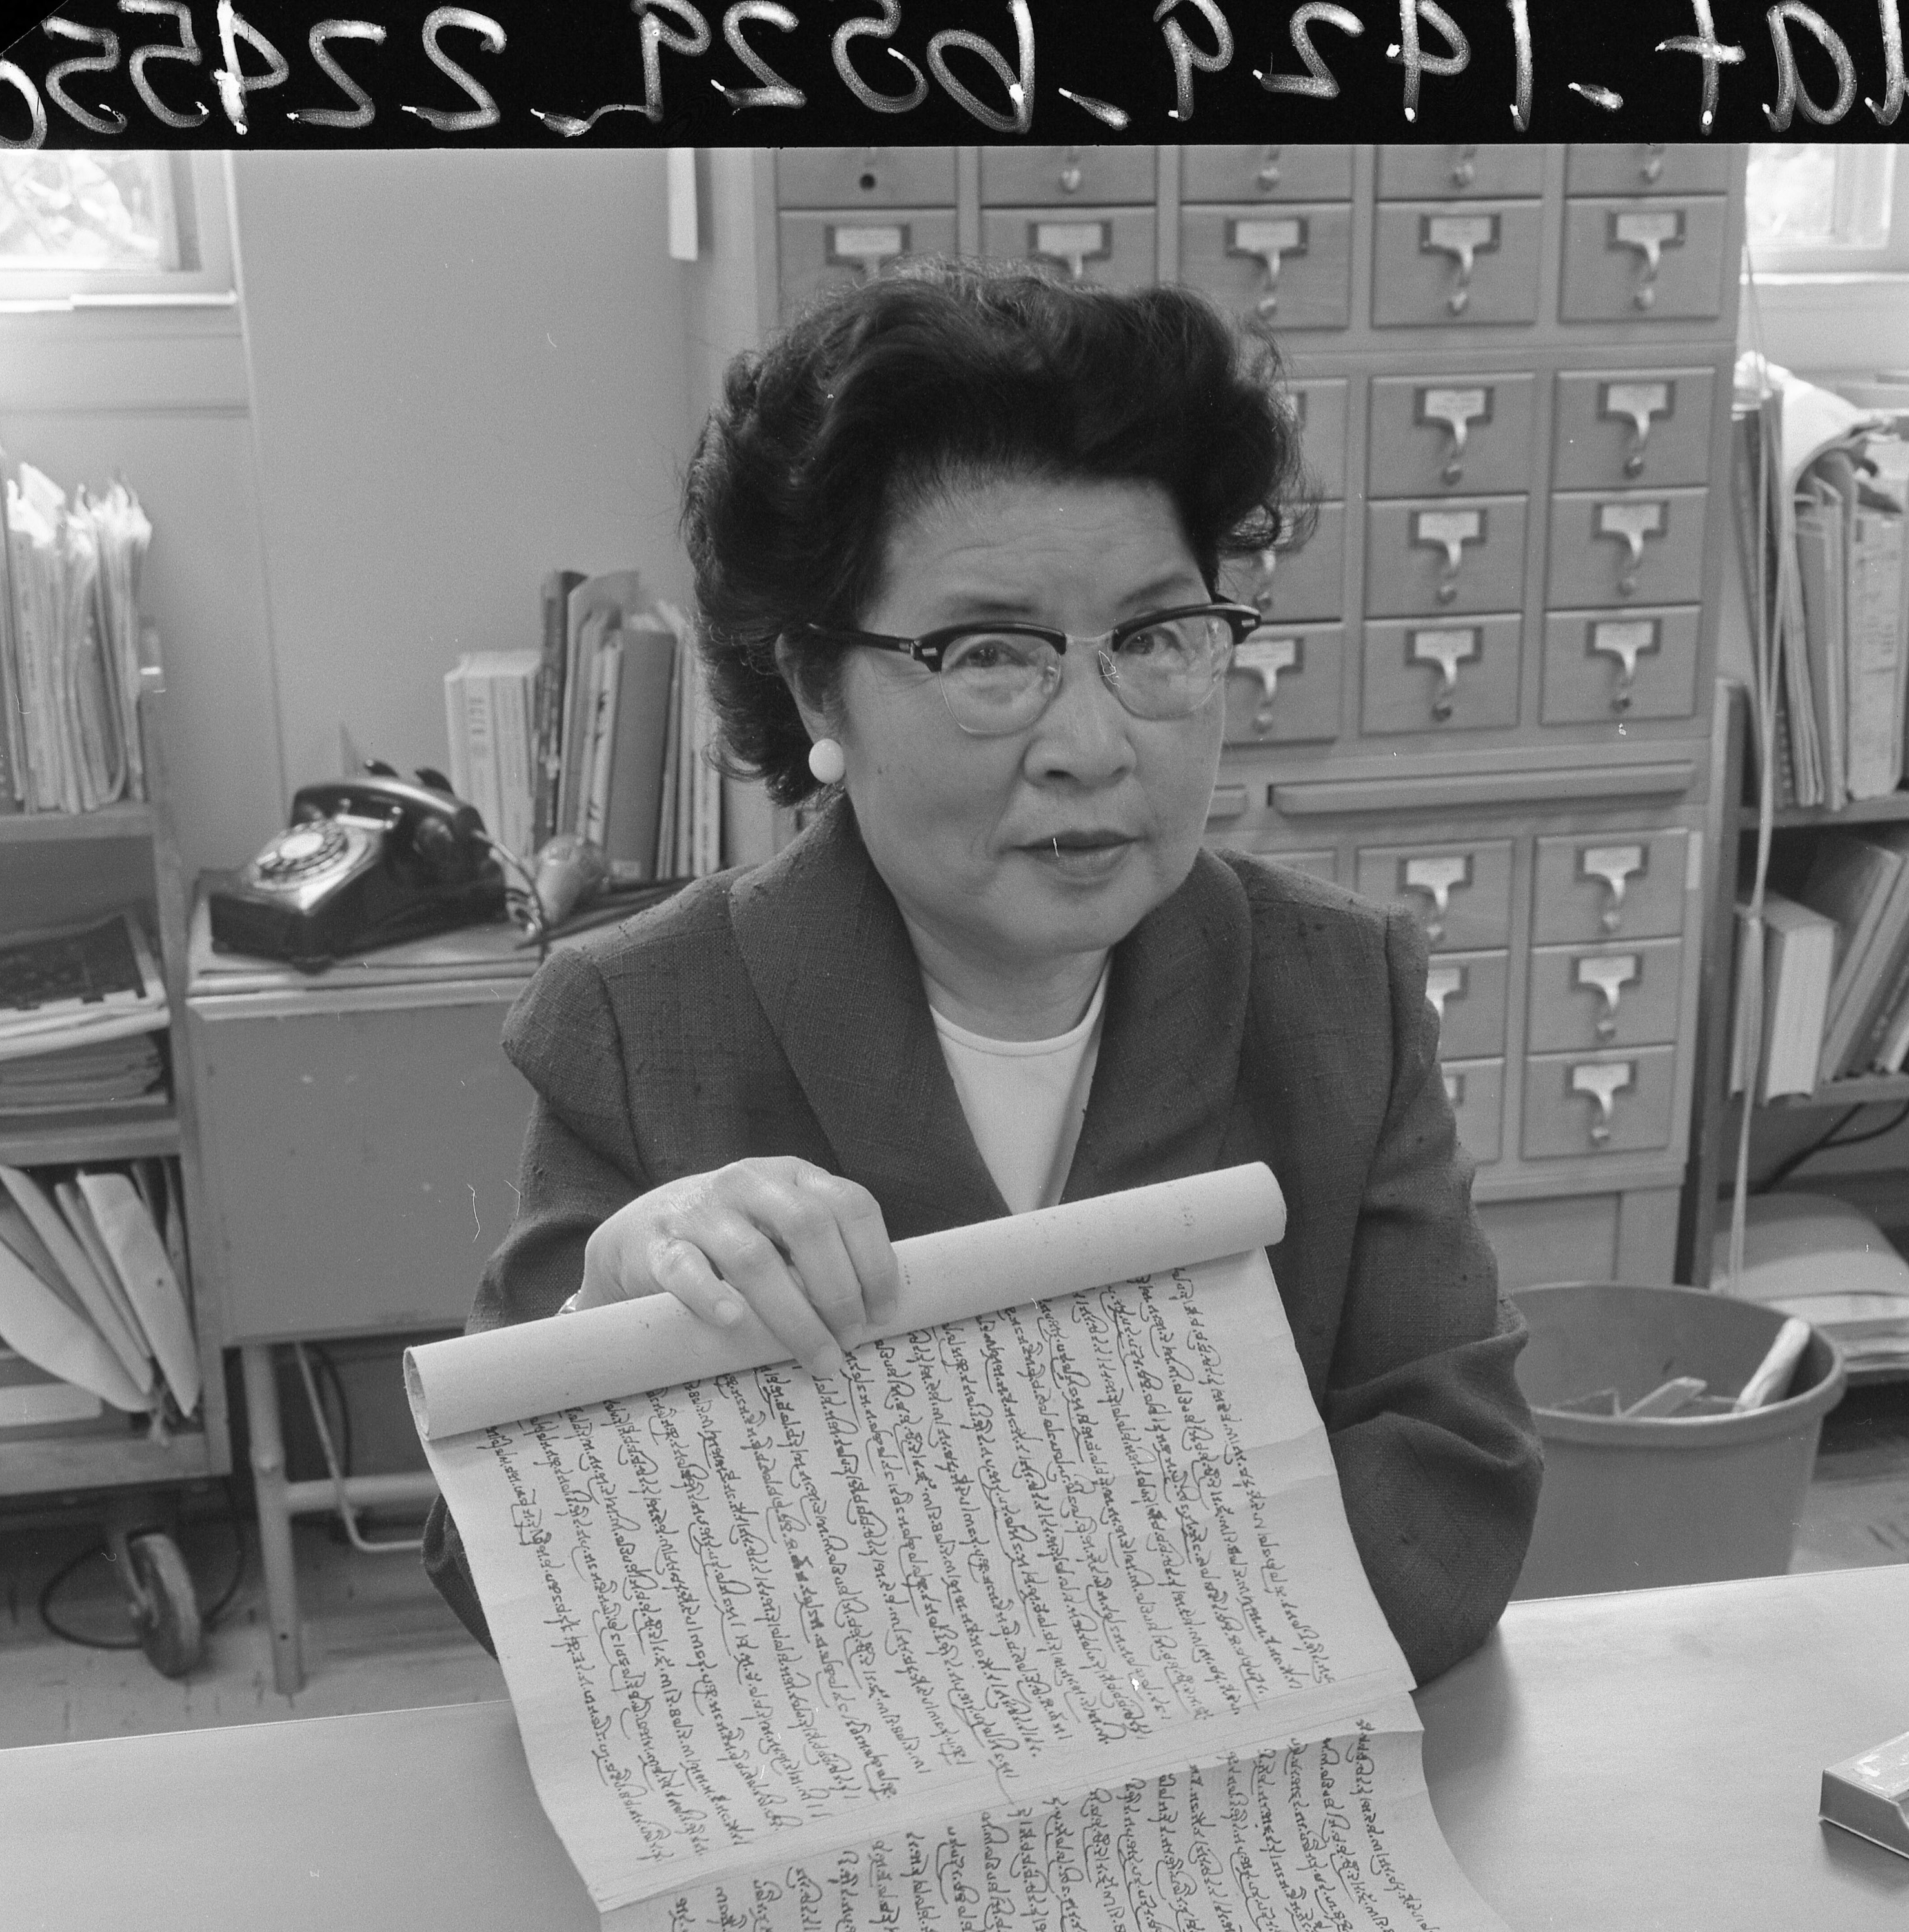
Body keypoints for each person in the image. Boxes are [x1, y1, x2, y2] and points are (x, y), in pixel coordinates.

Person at [423, 261, 1542, 1684]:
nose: (1091, 739)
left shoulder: (1336, 992)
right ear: (819, 685)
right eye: (988, 652)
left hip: (1227, 1796)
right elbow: (492, 1575)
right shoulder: (647, 1021)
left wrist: (1076, 1687)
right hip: (859, 1842)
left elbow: (1454, 1479)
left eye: (1151, 638)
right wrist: (617, 1300)